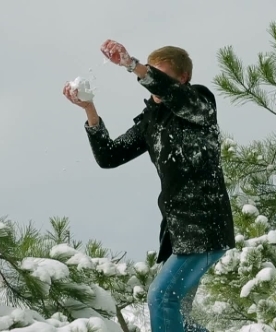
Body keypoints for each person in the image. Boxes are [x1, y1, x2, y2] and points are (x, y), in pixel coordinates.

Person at [62, 40, 235, 332]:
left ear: (181, 79)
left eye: (159, 75)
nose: (149, 80)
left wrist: (132, 65)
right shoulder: (150, 120)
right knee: (178, 316)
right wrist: (89, 109)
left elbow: (173, 95)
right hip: (178, 231)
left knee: (161, 298)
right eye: (149, 72)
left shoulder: (199, 102)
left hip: (205, 224)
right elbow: (109, 156)